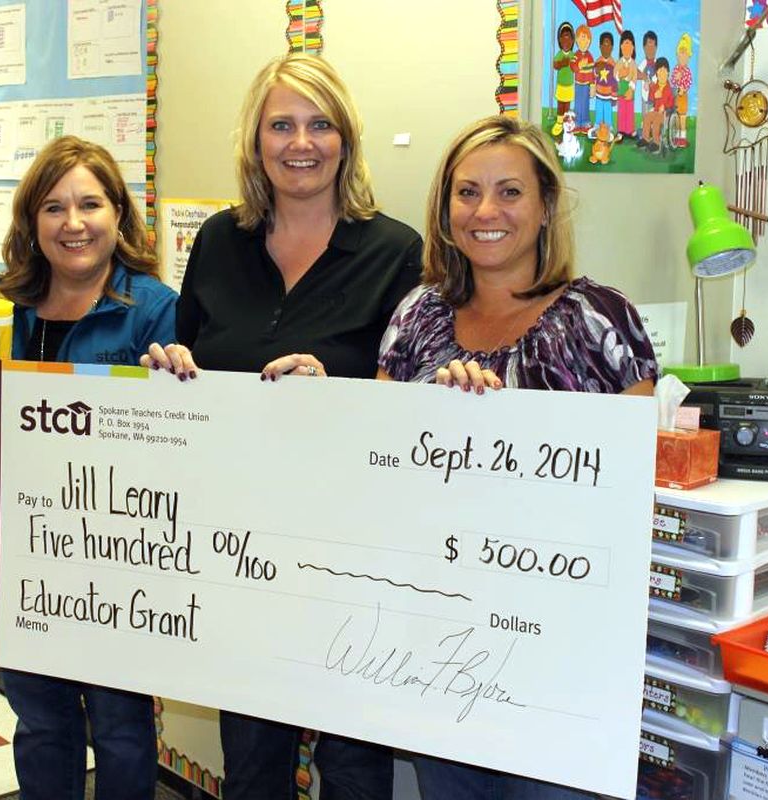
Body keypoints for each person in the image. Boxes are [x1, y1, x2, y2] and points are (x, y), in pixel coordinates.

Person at [142, 53, 422, 799]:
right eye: (283, 125)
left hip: (352, 547)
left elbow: (413, 402)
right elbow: (198, 362)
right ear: (256, 141)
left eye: (320, 124)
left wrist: (335, 392)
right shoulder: (217, 244)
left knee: (354, 760)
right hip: (243, 545)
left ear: (345, 139)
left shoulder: (396, 253)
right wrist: (175, 372)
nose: (302, 142)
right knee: (254, 753)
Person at [378, 114, 656, 798]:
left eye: (509, 192)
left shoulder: (600, 319)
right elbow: (377, 470)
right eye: (467, 193)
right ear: (445, 212)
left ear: (545, 207)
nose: (486, 211)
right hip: (438, 646)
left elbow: (631, 492)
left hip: (562, 655)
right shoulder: (416, 316)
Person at [0, 135, 176, 800]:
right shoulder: (2, 306)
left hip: (115, 557)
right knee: (40, 721)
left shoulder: (152, 308)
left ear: (119, 214)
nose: (73, 223)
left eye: (90, 204)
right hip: (20, 549)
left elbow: (176, 439)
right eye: (53, 208)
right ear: (31, 221)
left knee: (119, 726)